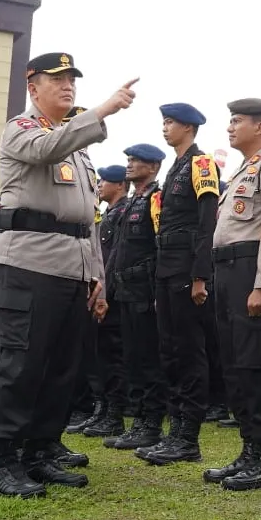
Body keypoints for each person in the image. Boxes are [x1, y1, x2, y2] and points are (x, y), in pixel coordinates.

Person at [0, 53, 136, 497]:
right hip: (27, 264)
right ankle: (4, 461)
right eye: (58, 79)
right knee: (21, 364)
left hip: (72, 268)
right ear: (33, 88)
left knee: (60, 367)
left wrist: (98, 280)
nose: (68, 85)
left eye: (72, 79)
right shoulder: (22, 128)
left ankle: (42, 450)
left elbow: (86, 220)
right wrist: (104, 109)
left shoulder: (78, 147)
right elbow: (48, 149)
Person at [204, 98, 261, 492]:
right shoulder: (241, 171)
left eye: (237, 121)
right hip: (225, 270)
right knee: (232, 366)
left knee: (252, 365)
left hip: (248, 271)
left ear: (259, 127)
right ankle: (248, 449)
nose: (229, 127)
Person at [136, 103, 219, 466]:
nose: (165, 128)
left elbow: (207, 222)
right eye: (164, 123)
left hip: (187, 270)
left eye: (169, 123)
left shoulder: (201, 165)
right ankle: (174, 433)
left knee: (189, 352)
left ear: (188, 126)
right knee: (169, 351)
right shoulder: (174, 170)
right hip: (166, 270)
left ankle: (188, 438)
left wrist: (201, 275)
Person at [104, 144, 169, 451]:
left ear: (154, 167)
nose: (129, 165)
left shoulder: (156, 199)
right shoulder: (132, 202)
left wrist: (157, 291)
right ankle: (137, 423)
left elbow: (159, 247)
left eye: (136, 161)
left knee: (147, 359)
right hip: (124, 290)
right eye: (128, 159)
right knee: (130, 359)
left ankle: (151, 424)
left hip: (144, 291)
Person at [80, 165, 130, 437]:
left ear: (120, 185)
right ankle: (101, 409)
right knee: (99, 356)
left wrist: (104, 292)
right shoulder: (108, 214)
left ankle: (113, 415)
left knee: (113, 357)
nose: (99, 186)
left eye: (105, 181)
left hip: (113, 295)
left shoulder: (124, 212)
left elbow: (113, 259)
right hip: (102, 293)